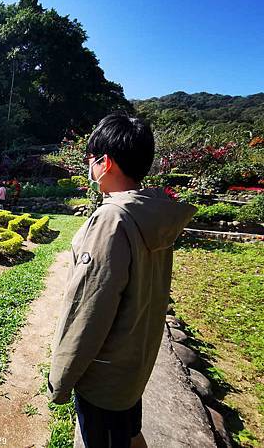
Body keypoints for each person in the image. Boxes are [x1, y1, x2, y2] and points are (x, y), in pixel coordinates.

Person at [47, 112, 197, 448]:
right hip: (133, 363)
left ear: (107, 163)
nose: (89, 166)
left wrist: (60, 376)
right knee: (128, 434)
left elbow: (89, 307)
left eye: (91, 159)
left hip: (104, 376)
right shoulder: (152, 213)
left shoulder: (112, 219)